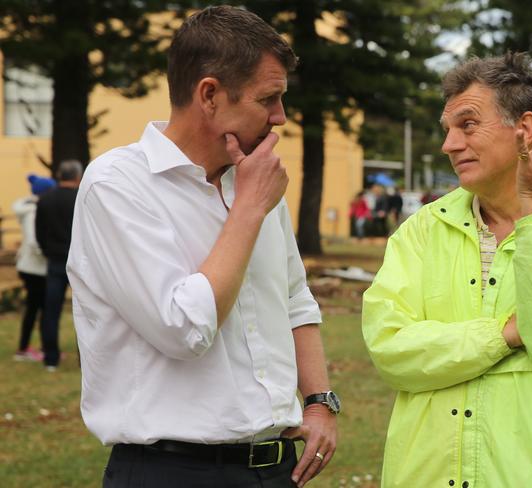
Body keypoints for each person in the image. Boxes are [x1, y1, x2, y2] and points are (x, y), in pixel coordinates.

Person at [66, 6, 338, 488]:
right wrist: (249, 210)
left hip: (277, 468)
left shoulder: (253, 181)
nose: (280, 118)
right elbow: (183, 328)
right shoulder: (116, 185)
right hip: (171, 471)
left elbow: (295, 299)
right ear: (209, 95)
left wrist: (319, 402)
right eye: (268, 99)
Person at [362, 52, 532, 487]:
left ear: (524, 130)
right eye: (447, 130)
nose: (449, 144)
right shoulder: (421, 231)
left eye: (468, 125)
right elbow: (391, 352)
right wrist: (507, 336)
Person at [35, 160, 82, 371]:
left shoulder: (45, 199)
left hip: (55, 260)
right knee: (87, 312)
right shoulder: (81, 198)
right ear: (77, 177)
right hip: (80, 262)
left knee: (50, 310)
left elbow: (39, 233)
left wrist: (47, 251)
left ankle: (51, 358)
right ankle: (85, 358)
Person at [12, 174, 56, 361]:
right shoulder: (33, 212)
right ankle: (25, 349)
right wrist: (48, 255)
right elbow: (33, 241)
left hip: (32, 266)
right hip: (35, 268)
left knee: (38, 308)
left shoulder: (30, 207)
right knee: (36, 309)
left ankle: (38, 347)